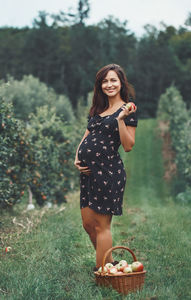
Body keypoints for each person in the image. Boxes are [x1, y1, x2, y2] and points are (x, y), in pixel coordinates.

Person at [74, 63, 138, 271]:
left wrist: (120, 120)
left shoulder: (128, 109)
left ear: (121, 83)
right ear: (100, 85)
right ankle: (108, 264)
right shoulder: (97, 110)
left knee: (102, 226)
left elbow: (128, 146)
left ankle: (103, 273)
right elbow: (86, 137)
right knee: (88, 225)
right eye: (105, 81)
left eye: (113, 80)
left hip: (108, 173)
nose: (109, 84)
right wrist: (77, 157)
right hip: (88, 174)